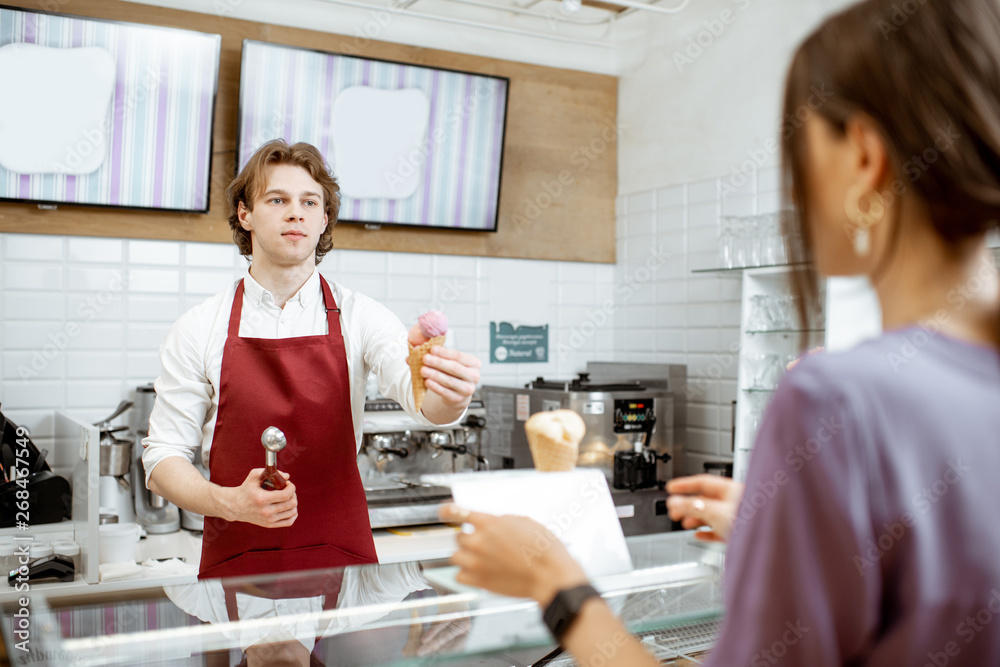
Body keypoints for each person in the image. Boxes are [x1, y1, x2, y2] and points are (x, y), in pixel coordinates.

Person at [443, 0, 1000, 664]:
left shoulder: (840, 401)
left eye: (799, 147)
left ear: (864, 158)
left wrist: (553, 581)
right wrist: (791, 531)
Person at [142, 139, 481, 579]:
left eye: (309, 201)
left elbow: (425, 404)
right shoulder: (199, 326)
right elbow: (162, 457)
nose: (295, 212)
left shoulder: (362, 316)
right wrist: (228, 503)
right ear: (245, 214)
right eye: (277, 199)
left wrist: (450, 395)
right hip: (236, 567)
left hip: (344, 564)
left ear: (324, 219)